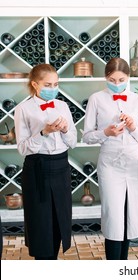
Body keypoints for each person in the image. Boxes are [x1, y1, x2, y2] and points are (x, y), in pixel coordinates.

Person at [83, 57, 138, 260]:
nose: (116, 84)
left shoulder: (137, 100)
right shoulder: (96, 99)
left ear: (128, 77)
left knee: (130, 213)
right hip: (109, 163)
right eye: (112, 80)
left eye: (121, 79)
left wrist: (132, 127)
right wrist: (106, 133)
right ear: (106, 78)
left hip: (133, 162)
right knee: (113, 215)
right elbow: (87, 136)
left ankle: (124, 264)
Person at [14, 64, 77, 260]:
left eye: (56, 84)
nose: (53, 88)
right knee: (40, 222)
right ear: (35, 84)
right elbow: (22, 148)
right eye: (48, 84)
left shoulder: (63, 106)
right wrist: (44, 132)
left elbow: (73, 142)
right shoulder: (22, 109)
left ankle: (53, 259)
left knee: (60, 218)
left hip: (61, 167)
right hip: (36, 169)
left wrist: (66, 130)